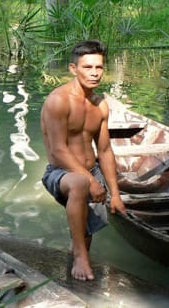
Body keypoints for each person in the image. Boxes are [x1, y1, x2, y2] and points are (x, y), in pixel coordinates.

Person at [41, 40, 126, 281]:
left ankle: (76, 260)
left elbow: (105, 150)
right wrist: (91, 181)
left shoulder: (100, 105)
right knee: (79, 184)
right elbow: (58, 151)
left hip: (91, 171)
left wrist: (116, 194)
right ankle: (80, 258)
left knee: (86, 233)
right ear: (73, 68)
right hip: (61, 173)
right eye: (87, 67)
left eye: (99, 67)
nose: (94, 73)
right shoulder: (59, 101)